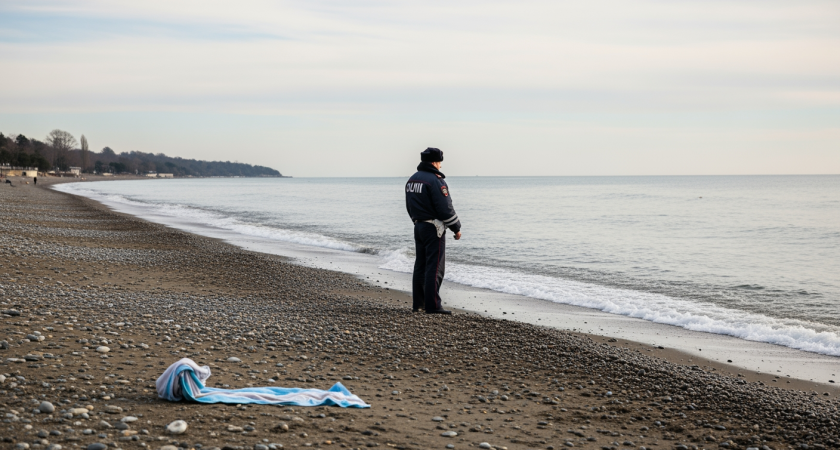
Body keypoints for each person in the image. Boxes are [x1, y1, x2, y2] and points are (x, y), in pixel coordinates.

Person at [405, 147, 462, 314]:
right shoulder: (435, 181)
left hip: (418, 225)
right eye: (439, 162)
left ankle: (419, 304)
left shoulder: (412, 180)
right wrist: (456, 228)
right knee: (435, 267)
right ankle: (433, 305)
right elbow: (445, 208)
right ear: (434, 162)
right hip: (434, 228)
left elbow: (410, 206)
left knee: (420, 265)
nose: (440, 166)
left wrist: (417, 222)